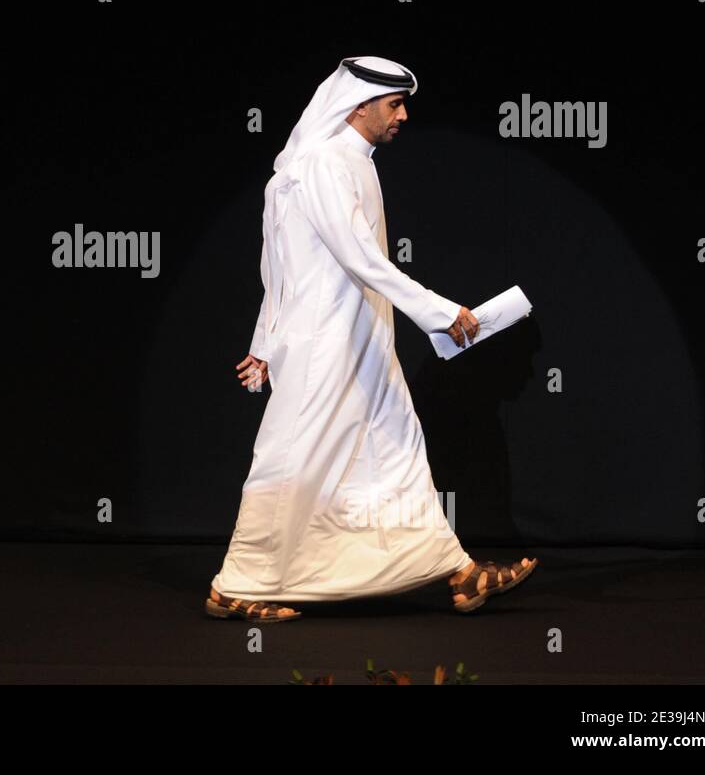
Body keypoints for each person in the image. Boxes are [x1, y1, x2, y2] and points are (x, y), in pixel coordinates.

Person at [206, 56, 537, 622]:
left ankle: (457, 573)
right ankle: (233, 584)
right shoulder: (324, 164)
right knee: (292, 457)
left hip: (361, 337)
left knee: (397, 446)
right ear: (357, 105)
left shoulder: (344, 162)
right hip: (322, 344)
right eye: (394, 104)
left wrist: (264, 341)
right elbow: (348, 257)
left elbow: (281, 262)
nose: (403, 115)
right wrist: (436, 312)